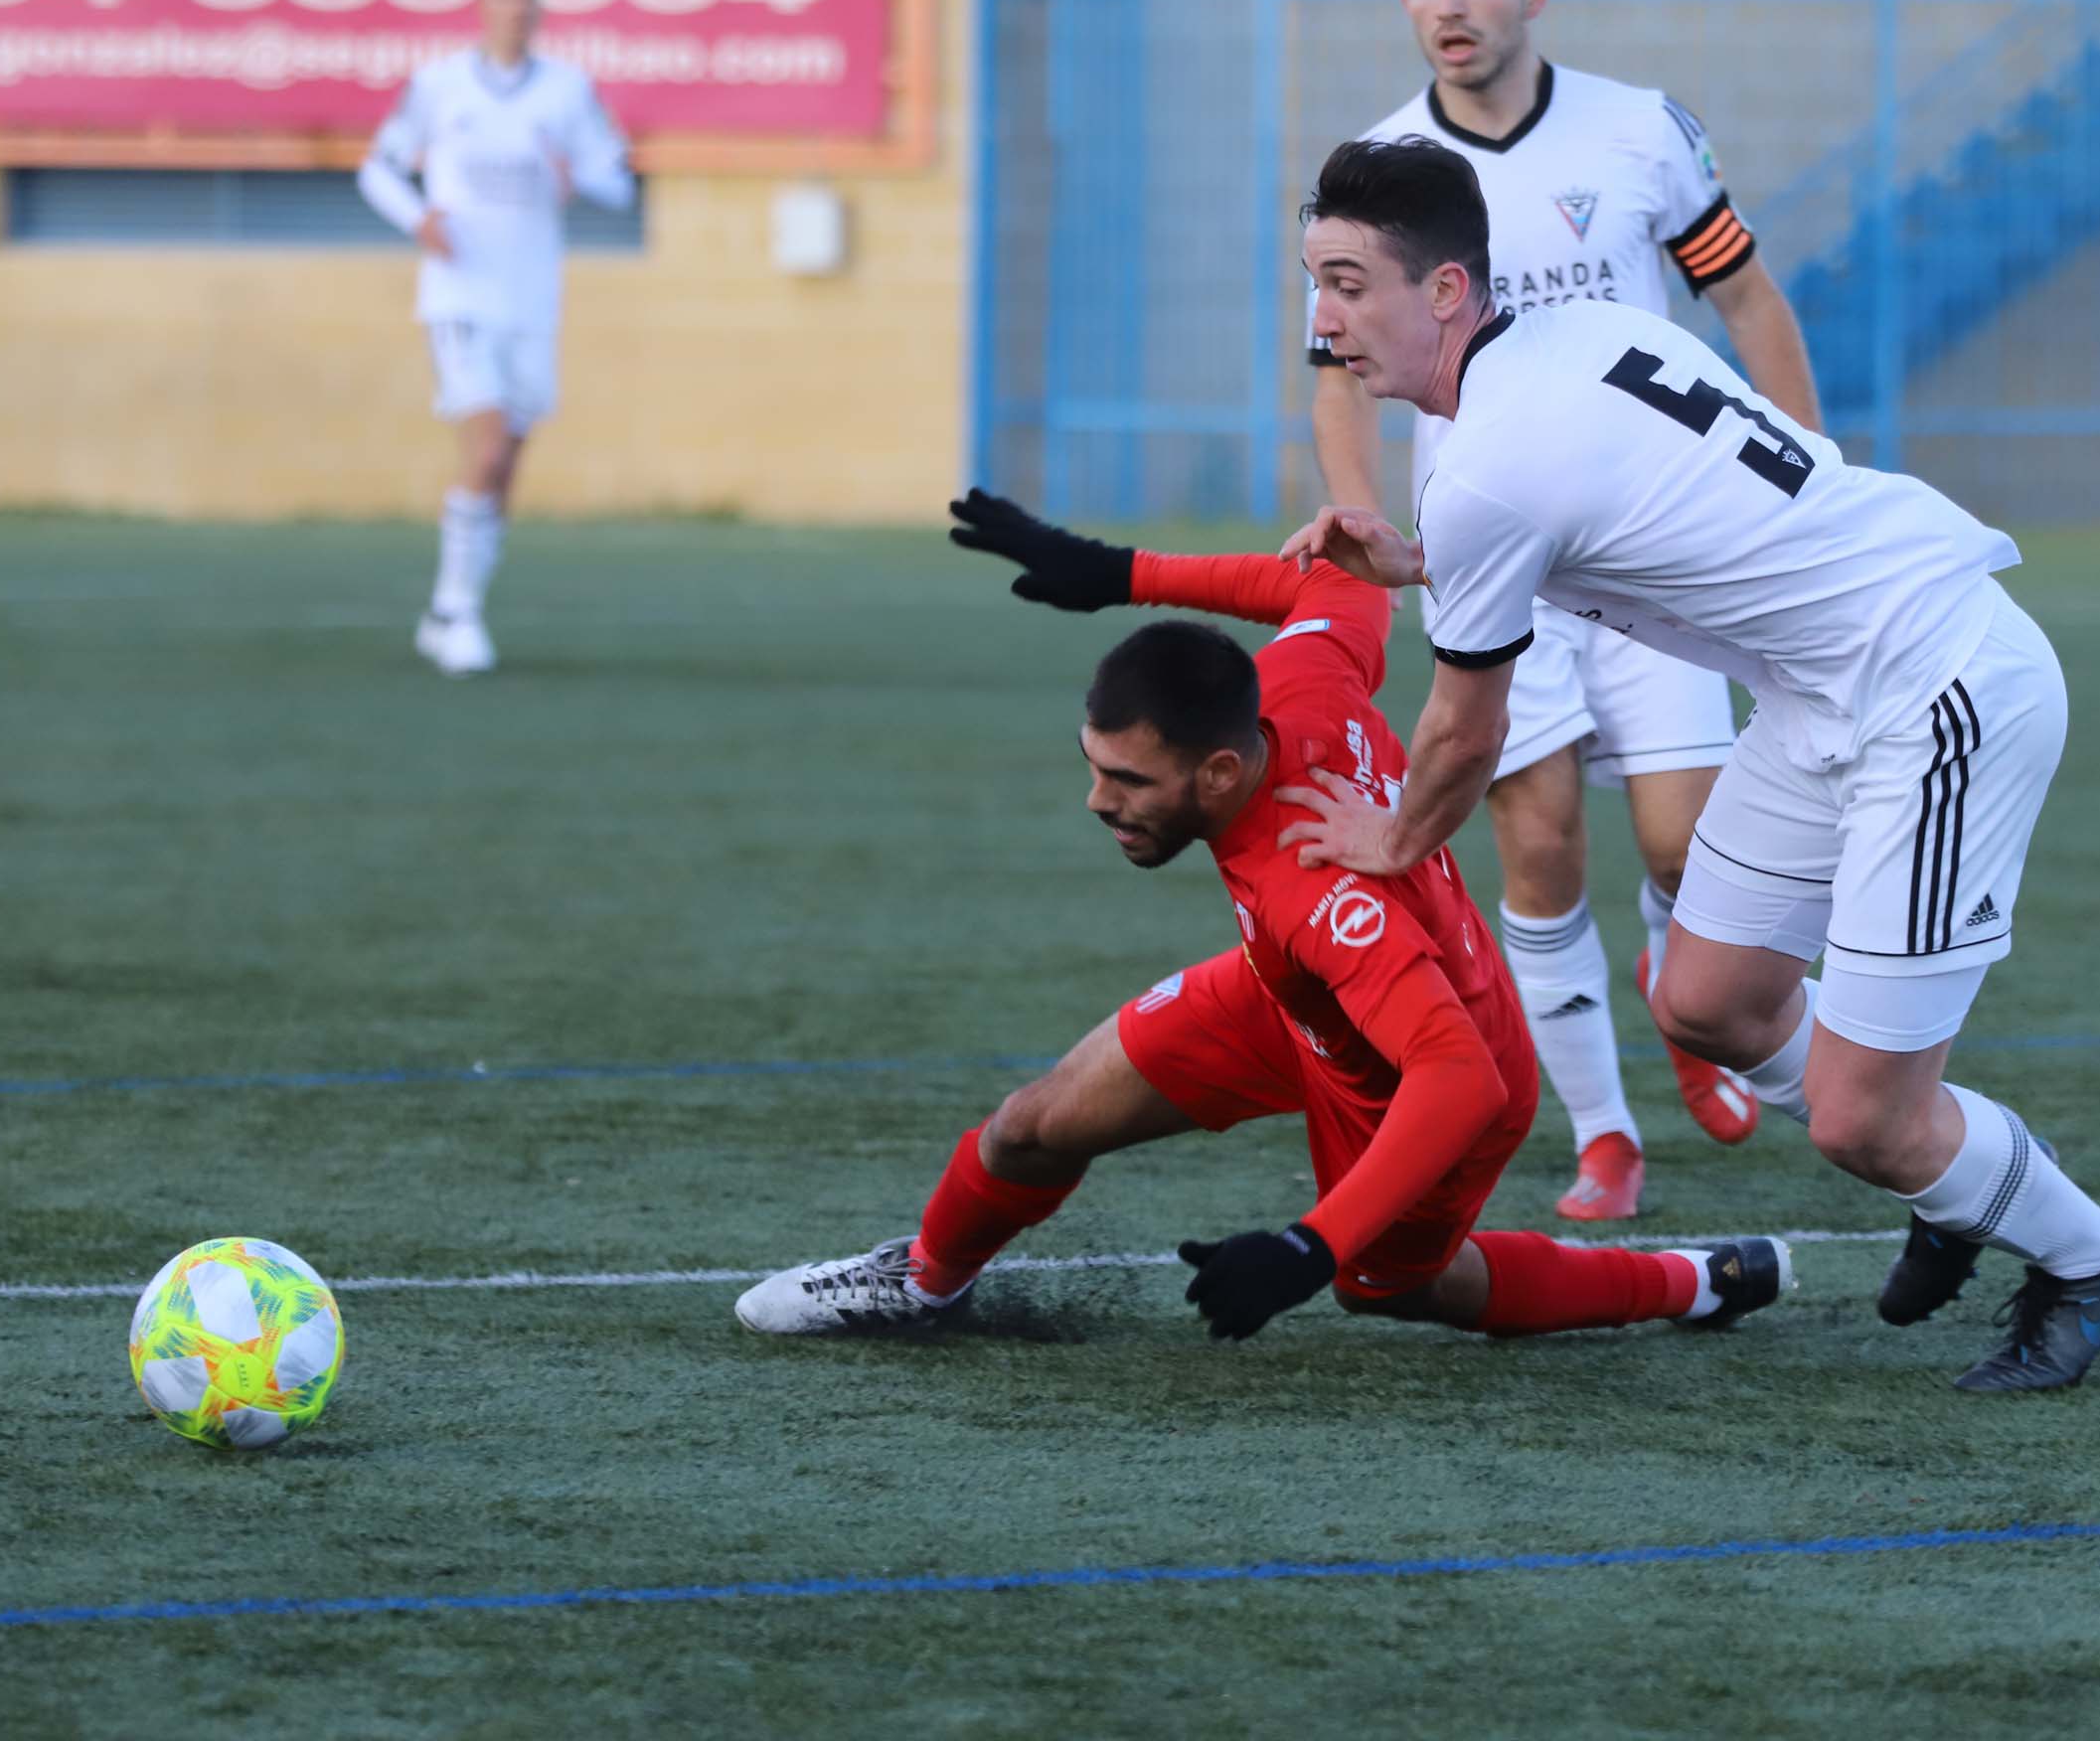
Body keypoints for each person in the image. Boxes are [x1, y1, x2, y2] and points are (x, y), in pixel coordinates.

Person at [1278, 138, 2100, 1391]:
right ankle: (1959, 1169)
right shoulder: (1571, 340)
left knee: (1865, 1119)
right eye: (1315, 281)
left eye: (1352, 283)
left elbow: (1463, 731)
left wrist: (1389, 838)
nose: (1326, 318)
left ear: (1450, 292)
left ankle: (2090, 1255)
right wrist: (1422, 561)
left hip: (1938, 678)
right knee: (1704, 1000)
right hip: (1820, 689)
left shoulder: (1483, 463)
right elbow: (1599, 506)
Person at [733, 492, 1792, 1345]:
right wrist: (1115, 571)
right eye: (1093, 765)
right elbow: (1326, 581)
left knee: (1392, 1287)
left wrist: (1308, 1246)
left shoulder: (1315, 888)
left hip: (1423, 1071)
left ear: (1224, 768)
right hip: (1292, 993)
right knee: (1034, 1121)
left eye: (1129, 780)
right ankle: (923, 1284)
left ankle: (1687, 1280)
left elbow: (1456, 1074)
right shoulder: (1297, 675)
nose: (1099, 800)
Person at [1308, 0, 1828, 1224]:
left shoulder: (1638, 134)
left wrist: (1808, 479)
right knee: (1538, 852)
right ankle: (1607, 1138)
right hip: (1488, 551)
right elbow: (1332, 372)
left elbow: (1749, 302)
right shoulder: (1376, 174)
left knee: (1684, 851)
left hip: (1646, 554)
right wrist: (1362, 504)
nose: (1451, 7)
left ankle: (1680, 992)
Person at [359, 0, 634, 678]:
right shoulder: (440, 86)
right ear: (481, 3)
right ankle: (457, 613)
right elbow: (376, 166)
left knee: (506, 459)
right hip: (460, 296)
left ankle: (453, 606)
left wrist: (583, 178)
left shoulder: (567, 92)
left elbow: (617, 182)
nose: (517, 5)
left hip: (531, 298)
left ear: (541, 4)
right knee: (481, 445)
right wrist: (419, 218)